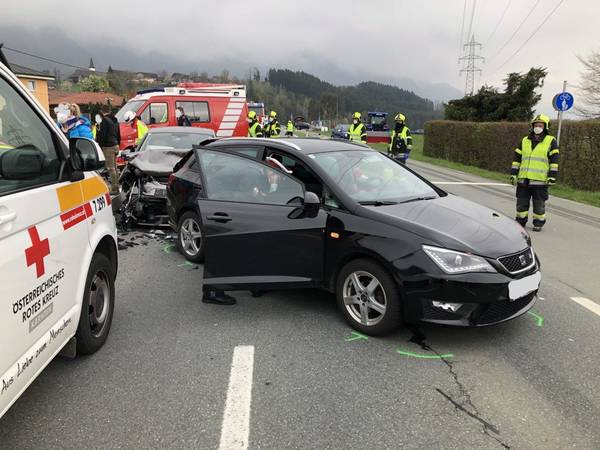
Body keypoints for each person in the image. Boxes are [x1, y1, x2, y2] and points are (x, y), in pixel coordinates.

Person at [510, 114, 559, 232]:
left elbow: (554, 161)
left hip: (540, 180)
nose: (538, 127)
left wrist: (552, 176)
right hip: (523, 179)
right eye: (536, 125)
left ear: (545, 127)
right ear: (532, 126)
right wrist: (513, 174)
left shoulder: (551, 141)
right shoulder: (524, 140)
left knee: (539, 204)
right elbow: (517, 159)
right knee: (521, 202)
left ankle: (538, 223)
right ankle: (520, 221)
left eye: (540, 125)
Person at [96, 104, 121, 195]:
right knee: (115, 168)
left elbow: (103, 135)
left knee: (111, 169)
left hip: (108, 146)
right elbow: (118, 134)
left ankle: (114, 188)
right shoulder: (115, 120)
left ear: (102, 111)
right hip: (115, 145)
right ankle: (117, 186)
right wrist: (118, 143)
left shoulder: (104, 121)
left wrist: (100, 145)